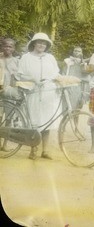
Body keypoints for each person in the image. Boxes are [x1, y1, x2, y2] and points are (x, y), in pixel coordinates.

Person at [17, 32, 61, 160]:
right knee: (34, 122)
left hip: (48, 92)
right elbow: (20, 74)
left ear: (47, 45)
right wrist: (34, 79)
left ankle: (45, 150)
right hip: (33, 91)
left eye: (44, 43)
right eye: (39, 42)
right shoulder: (26, 57)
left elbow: (56, 73)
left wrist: (47, 80)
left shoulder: (50, 58)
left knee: (47, 121)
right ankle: (33, 150)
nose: (42, 44)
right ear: (34, 43)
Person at [0, 38, 20, 151]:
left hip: (10, 92)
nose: (8, 48)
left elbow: (18, 78)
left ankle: (5, 144)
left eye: (10, 46)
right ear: (2, 47)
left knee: (8, 118)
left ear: (14, 48)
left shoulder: (17, 61)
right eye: (5, 46)